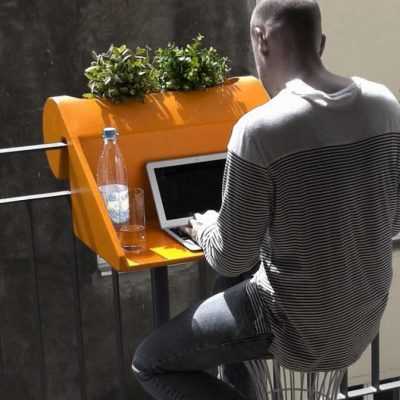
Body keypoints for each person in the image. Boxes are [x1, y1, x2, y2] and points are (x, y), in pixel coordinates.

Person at [132, 0, 400, 398]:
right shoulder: (385, 105)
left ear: (261, 39)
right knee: (230, 284)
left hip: (296, 326)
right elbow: (392, 220)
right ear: (320, 43)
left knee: (151, 362)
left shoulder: (259, 130)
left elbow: (230, 256)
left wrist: (207, 228)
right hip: (360, 318)